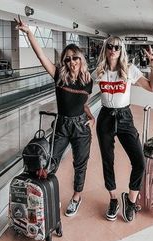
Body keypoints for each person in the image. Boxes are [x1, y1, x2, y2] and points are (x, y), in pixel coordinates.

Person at [15, 17, 95, 217]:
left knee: (80, 163)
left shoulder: (88, 81)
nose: (71, 62)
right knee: (49, 162)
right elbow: (41, 56)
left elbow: (82, 103)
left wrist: (91, 116)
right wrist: (30, 33)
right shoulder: (59, 75)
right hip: (62, 124)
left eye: (74, 58)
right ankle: (44, 196)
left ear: (80, 58)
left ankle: (76, 197)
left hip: (81, 127)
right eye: (67, 59)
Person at [92, 36, 153, 222]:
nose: (113, 50)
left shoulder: (129, 70)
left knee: (139, 161)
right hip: (105, 117)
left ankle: (130, 200)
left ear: (121, 51)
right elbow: (81, 90)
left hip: (124, 118)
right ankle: (113, 199)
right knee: (108, 161)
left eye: (117, 47)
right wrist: (86, 113)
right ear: (105, 49)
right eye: (110, 46)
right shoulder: (99, 72)